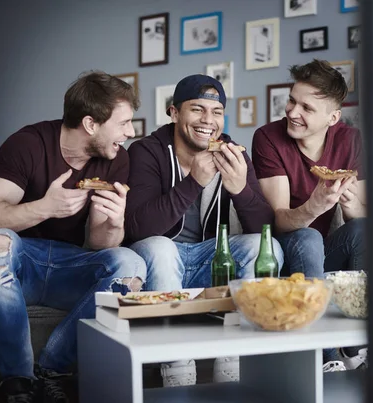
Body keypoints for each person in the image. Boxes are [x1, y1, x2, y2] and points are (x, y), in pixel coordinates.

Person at [0, 71, 147, 403]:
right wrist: (45, 207)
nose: (130, 132)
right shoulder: (29, 144)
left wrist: (114, 223)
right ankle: (18, 382)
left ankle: (53, 368)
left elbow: (97, 246)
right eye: (123, 123)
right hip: (23, 266)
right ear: (91, 124)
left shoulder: (115, 158)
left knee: (130, 263)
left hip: (71, 265)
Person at [125, 74, 283, 387]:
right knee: (160, 246)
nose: (207, 121)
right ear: (174, 113)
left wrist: (241, 191)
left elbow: (264, 231)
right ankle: (177, 365)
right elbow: (138, 228)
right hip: (160, 263)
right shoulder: (146, 151)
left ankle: (235, 360)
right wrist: (192, 183)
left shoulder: (234, 153)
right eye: (197, 110)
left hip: (212, 262)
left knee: (268, 249)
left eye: (216, 112)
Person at [251, 59, 367, 370]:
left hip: (326, 257)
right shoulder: (268, 138)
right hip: (286, 255)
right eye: (291, 100)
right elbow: (280, 220)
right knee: (308, 235)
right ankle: (327, 361)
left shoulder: (350, 140)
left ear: (333, 117)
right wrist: (316, 205)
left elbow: (359, 217)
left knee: (363, 231)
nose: (292, 112)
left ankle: (356, 349)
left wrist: (349, 204)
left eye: (306, 108)